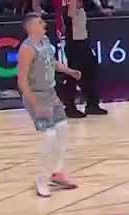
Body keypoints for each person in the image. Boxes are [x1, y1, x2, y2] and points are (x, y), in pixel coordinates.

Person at [32, 0, 109, 117]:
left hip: (80, 32)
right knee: (75, 70)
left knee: (90, 68)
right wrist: (38, 11)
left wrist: (100, 7)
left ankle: (92, 104)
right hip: (72, 34)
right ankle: (70, 107)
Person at [16, 13, 82, 197]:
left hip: (51, 94)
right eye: (39, 22)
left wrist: (69, 71)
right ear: (30, 27)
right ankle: (41, 180)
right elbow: (21, 81)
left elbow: (52, 63)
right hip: (37, 96)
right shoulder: (27, 49)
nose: (44, 24)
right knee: (49, 136)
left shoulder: (45, 41)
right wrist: (34, 103)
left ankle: (57, 172)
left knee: (63, 130)